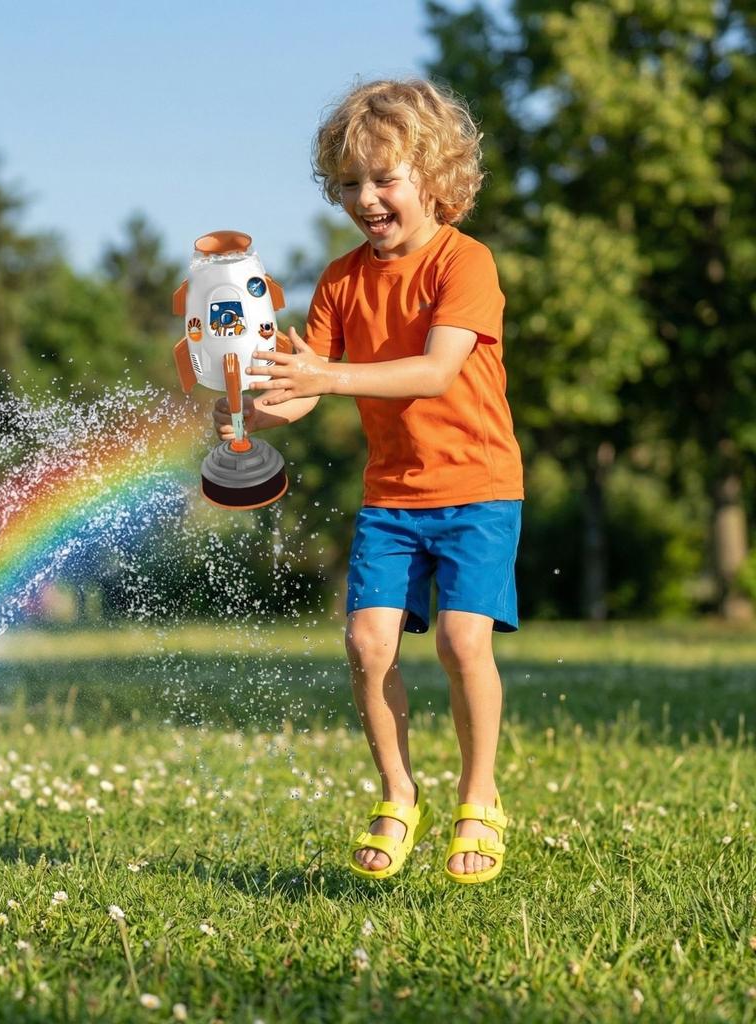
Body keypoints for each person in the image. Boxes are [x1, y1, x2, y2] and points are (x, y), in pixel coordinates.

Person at [214, 78, 523, 884]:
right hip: (394, 496)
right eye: (349, 182)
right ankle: (397, 793)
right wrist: (253, 411)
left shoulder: (466, 263)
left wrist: (331, 373)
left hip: (480, 486)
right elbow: (311, 385)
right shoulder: (344, 278)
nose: (366, 197)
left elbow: (434, 370)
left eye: (385, 178)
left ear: (436, 174)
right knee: (365, 641)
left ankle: (480, 796)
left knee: (463, 642)